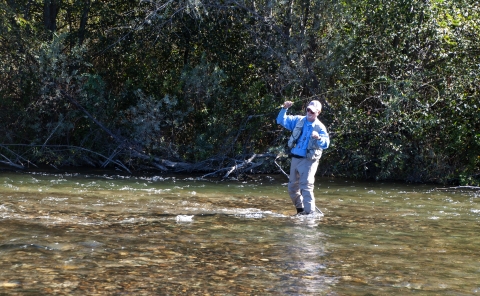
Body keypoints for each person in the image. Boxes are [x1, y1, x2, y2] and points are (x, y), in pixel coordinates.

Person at [276, 100, 330, 215]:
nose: (309, 112)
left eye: (312, 111)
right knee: (292, 188)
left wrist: (319, 138)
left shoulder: (320, 127)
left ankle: (310, 215)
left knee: (306, 187)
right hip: (295, 159)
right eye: (308, 109)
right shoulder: (298, 120)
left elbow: (326, 144)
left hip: (308, 161)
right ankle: (300, 212)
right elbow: (280, 120)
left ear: (318, 113)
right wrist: (284, 108)